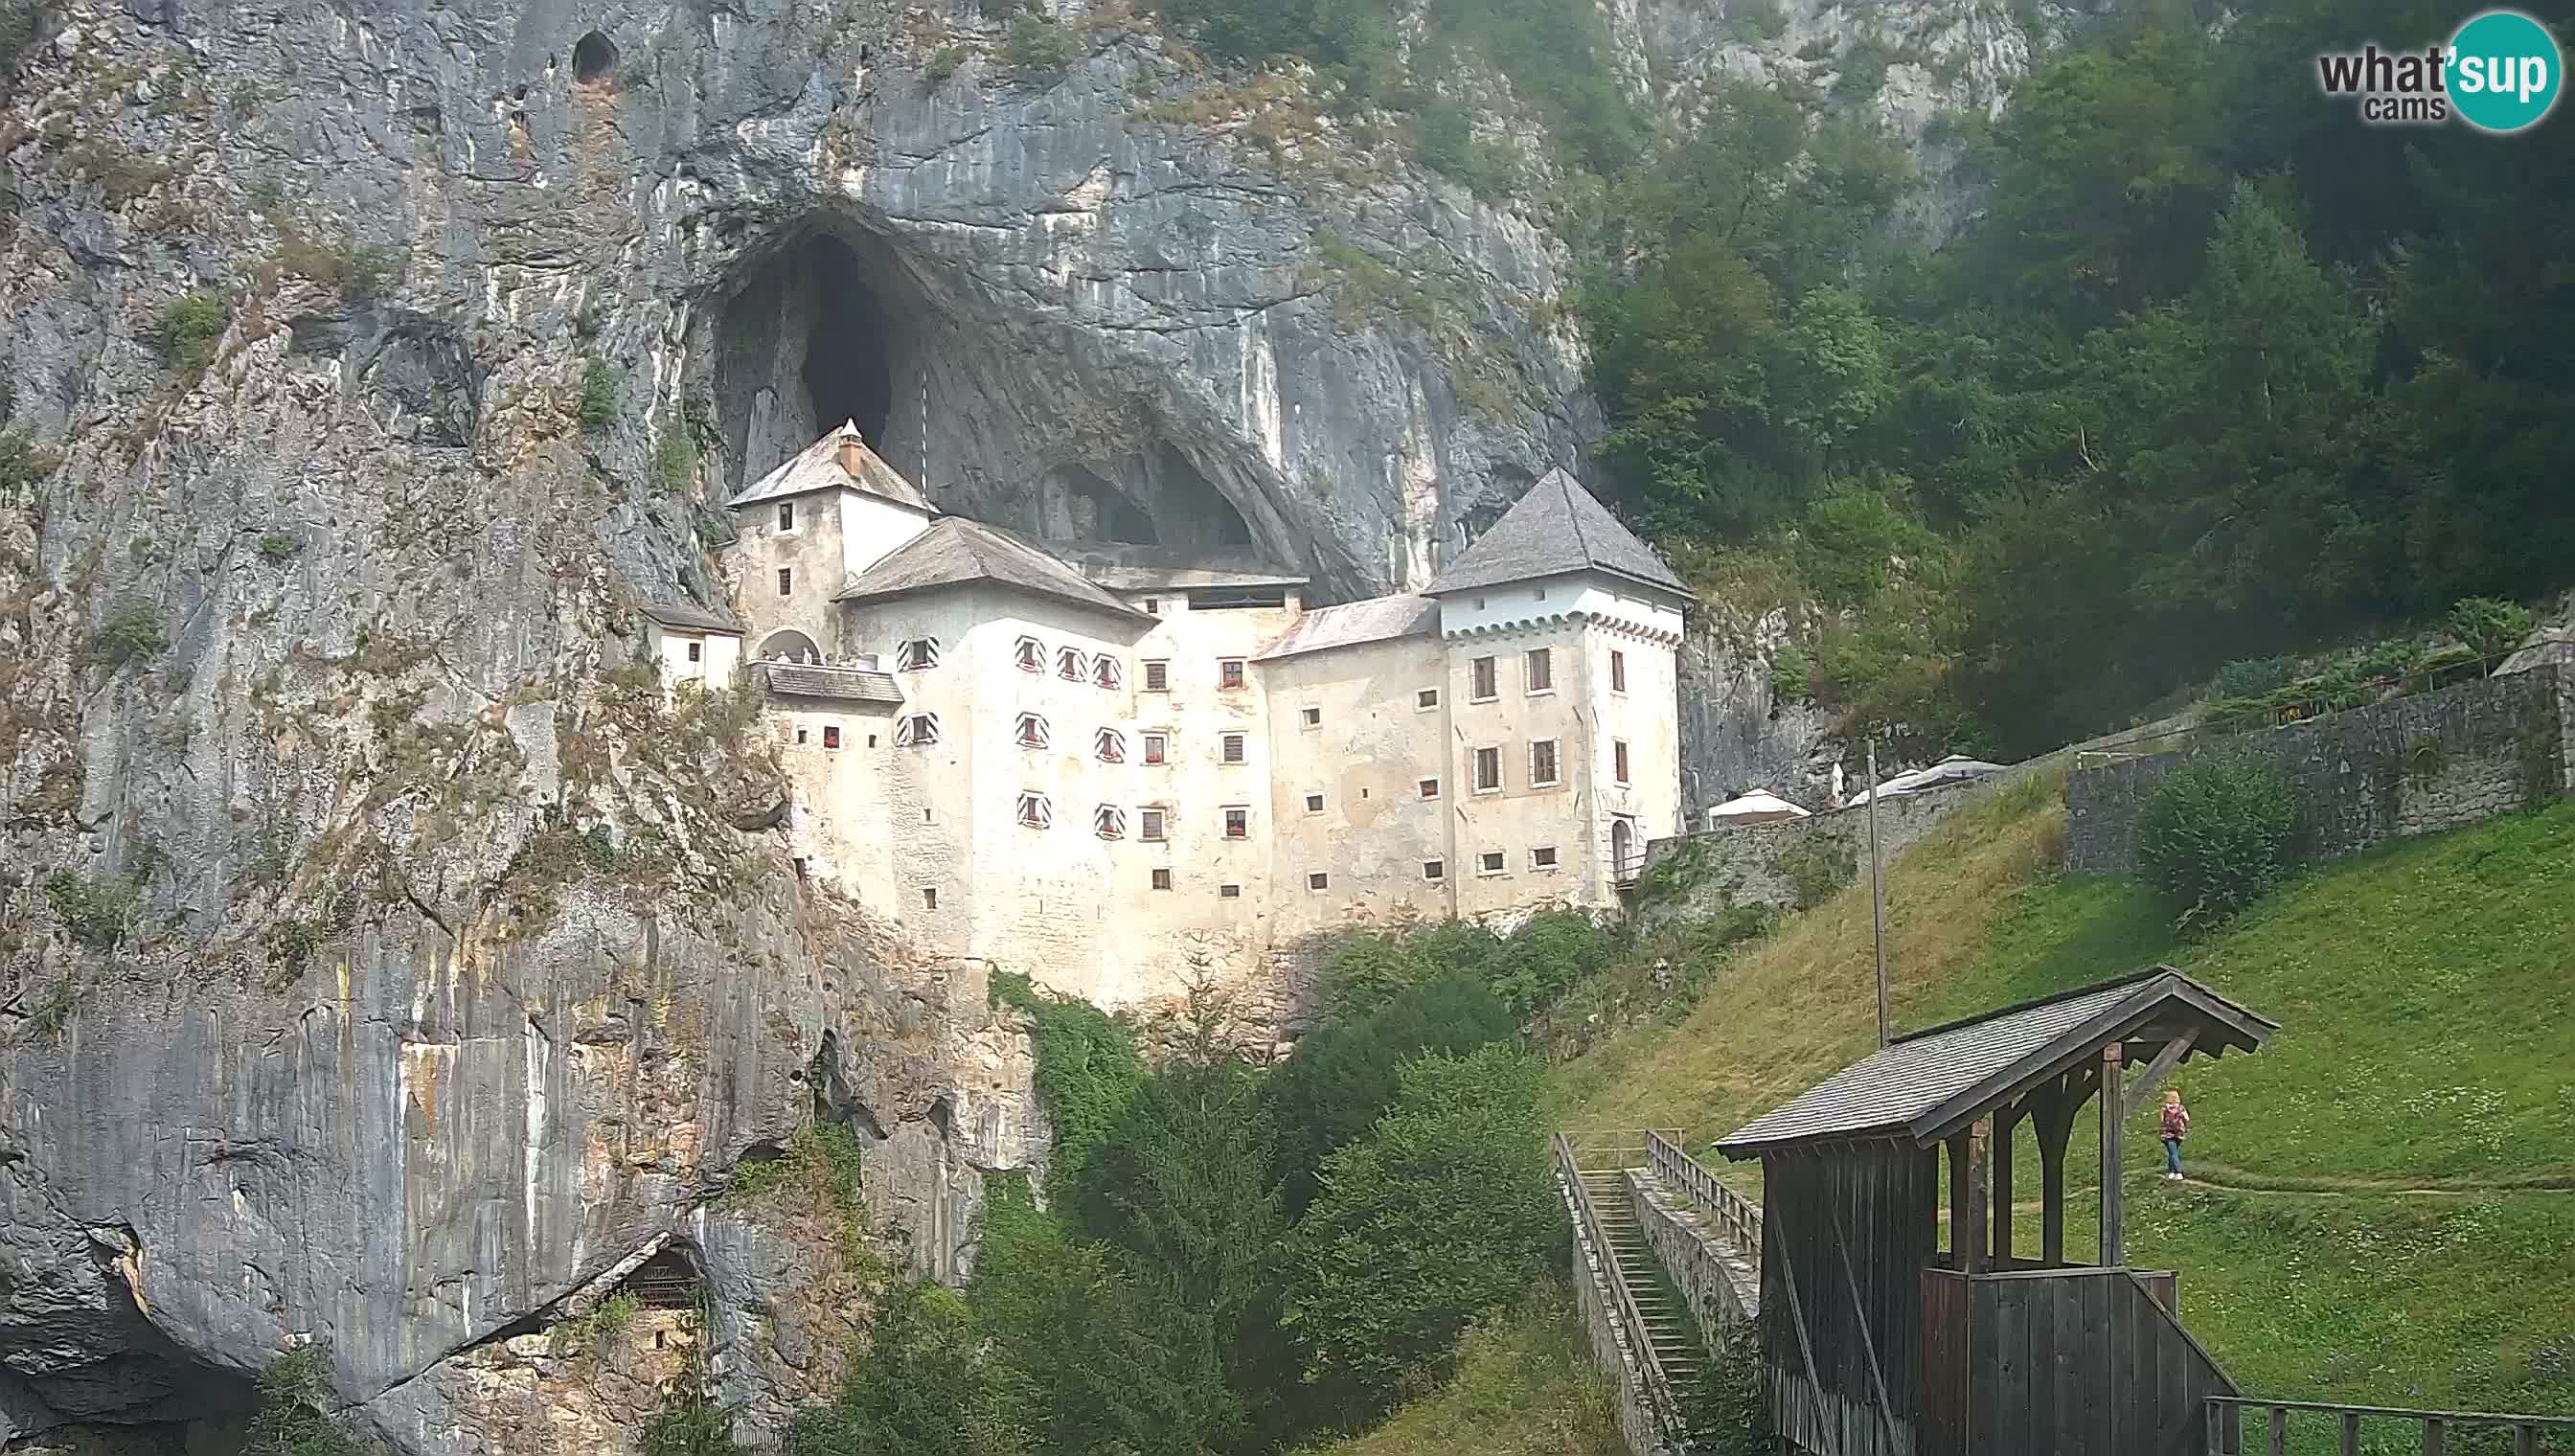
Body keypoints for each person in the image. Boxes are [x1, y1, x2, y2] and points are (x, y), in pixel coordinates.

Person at [2159, 1088, 2191, 1181]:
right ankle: (2171, 1172)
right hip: (2179, 1134)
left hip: (2167, 1134)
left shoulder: (2164, 1109)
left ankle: (2178, 1172)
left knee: (2173, 1153)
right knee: (2173, 1153)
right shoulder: (2181, 1108)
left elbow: (2162, 1121)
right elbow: (2187, 1119)